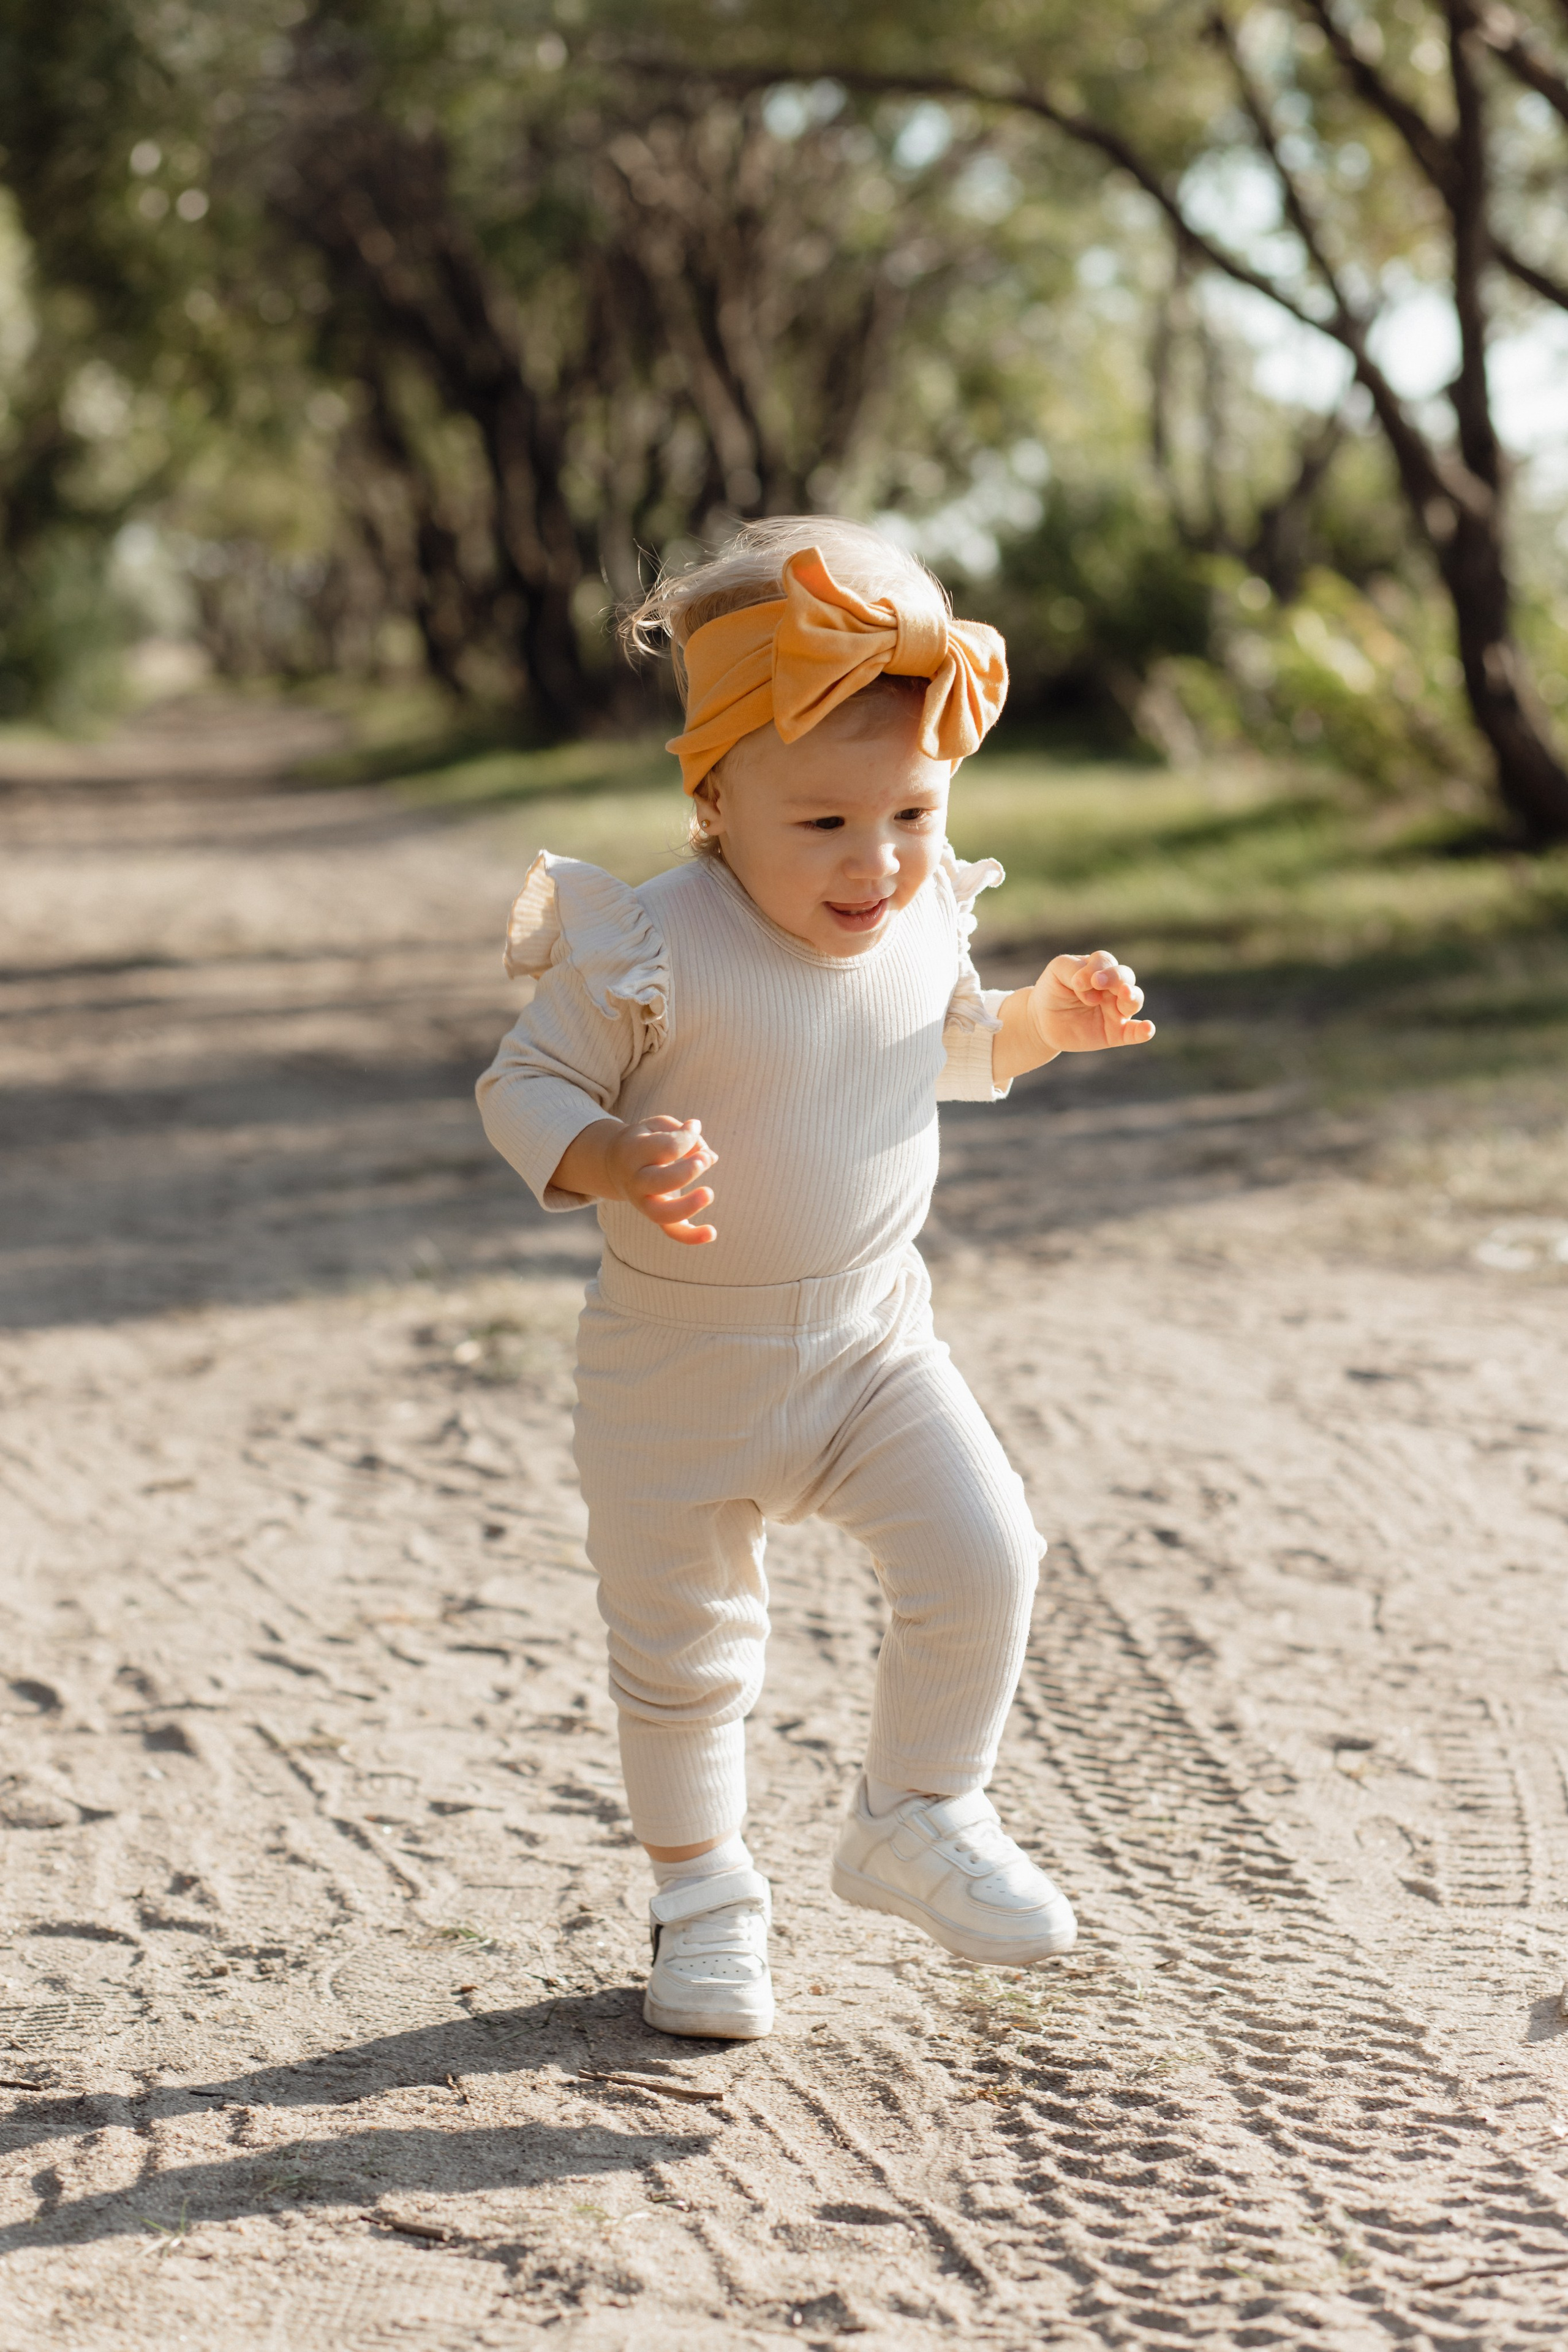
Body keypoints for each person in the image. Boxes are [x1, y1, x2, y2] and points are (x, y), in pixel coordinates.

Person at [477, 517, 1153, 2041]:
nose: (878, 862)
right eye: (825, 824)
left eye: (911, 811)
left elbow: (953, 1049)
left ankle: (914, 1813)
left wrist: (1042, 1018)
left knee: (985, 1553)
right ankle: (704, 1900)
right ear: (714, 798)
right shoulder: (648, 941)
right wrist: (604, 1154)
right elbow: (516, 1087)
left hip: (868, 1342)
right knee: (683, 1653)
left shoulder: (916, 918)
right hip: (675, 1369)